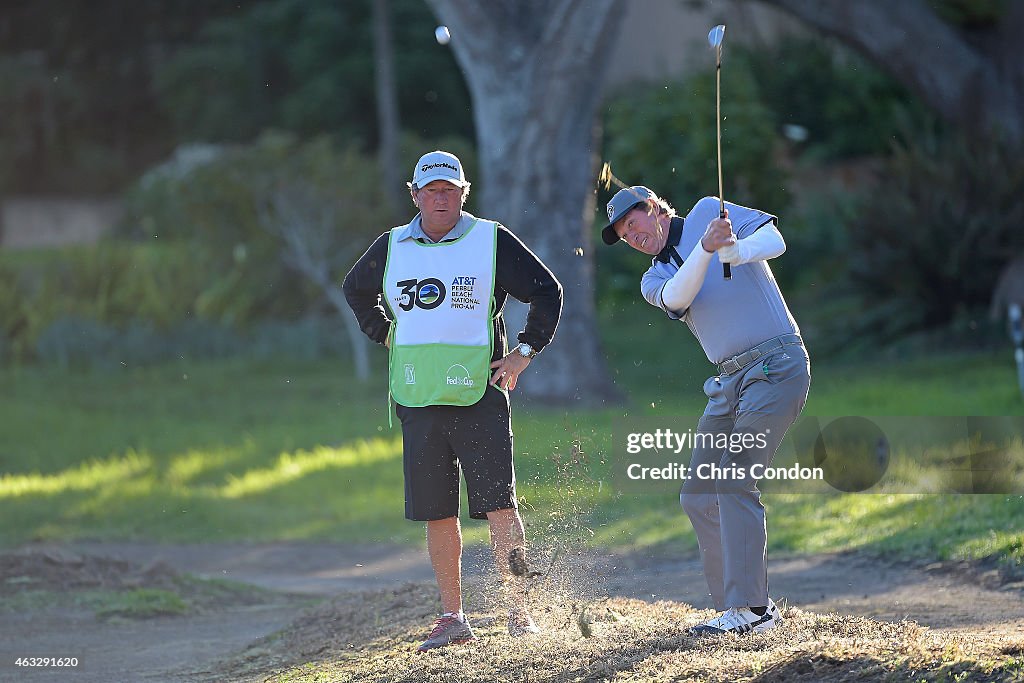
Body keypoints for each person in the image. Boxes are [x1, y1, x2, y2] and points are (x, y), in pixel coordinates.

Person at [343, 151, 562, 652]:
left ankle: (520, 611)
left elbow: (547, 291)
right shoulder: (393, 244)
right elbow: (357, 289)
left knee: (500, 507)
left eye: (450, 190)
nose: (441, 198)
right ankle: (452, 617)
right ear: (414, 194)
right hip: (418, 398)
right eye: (431, 190)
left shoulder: (490, 239)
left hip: (480, 394)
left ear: (464, 193)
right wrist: (381, 331)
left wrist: (523, 353)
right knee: (437, 513)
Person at [600, 186, 810, 636]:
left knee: (734, 478)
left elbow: (776, 241)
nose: (632, 236)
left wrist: (738, 249)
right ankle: (738, 607)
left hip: (776, 365)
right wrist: (707, 249)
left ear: (654, 208)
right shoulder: (652, 279)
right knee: (697, 495)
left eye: (633, 223)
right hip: (728, 382)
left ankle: (752, 610)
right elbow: (678, 297)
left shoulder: (705, 212)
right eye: (623, 234)